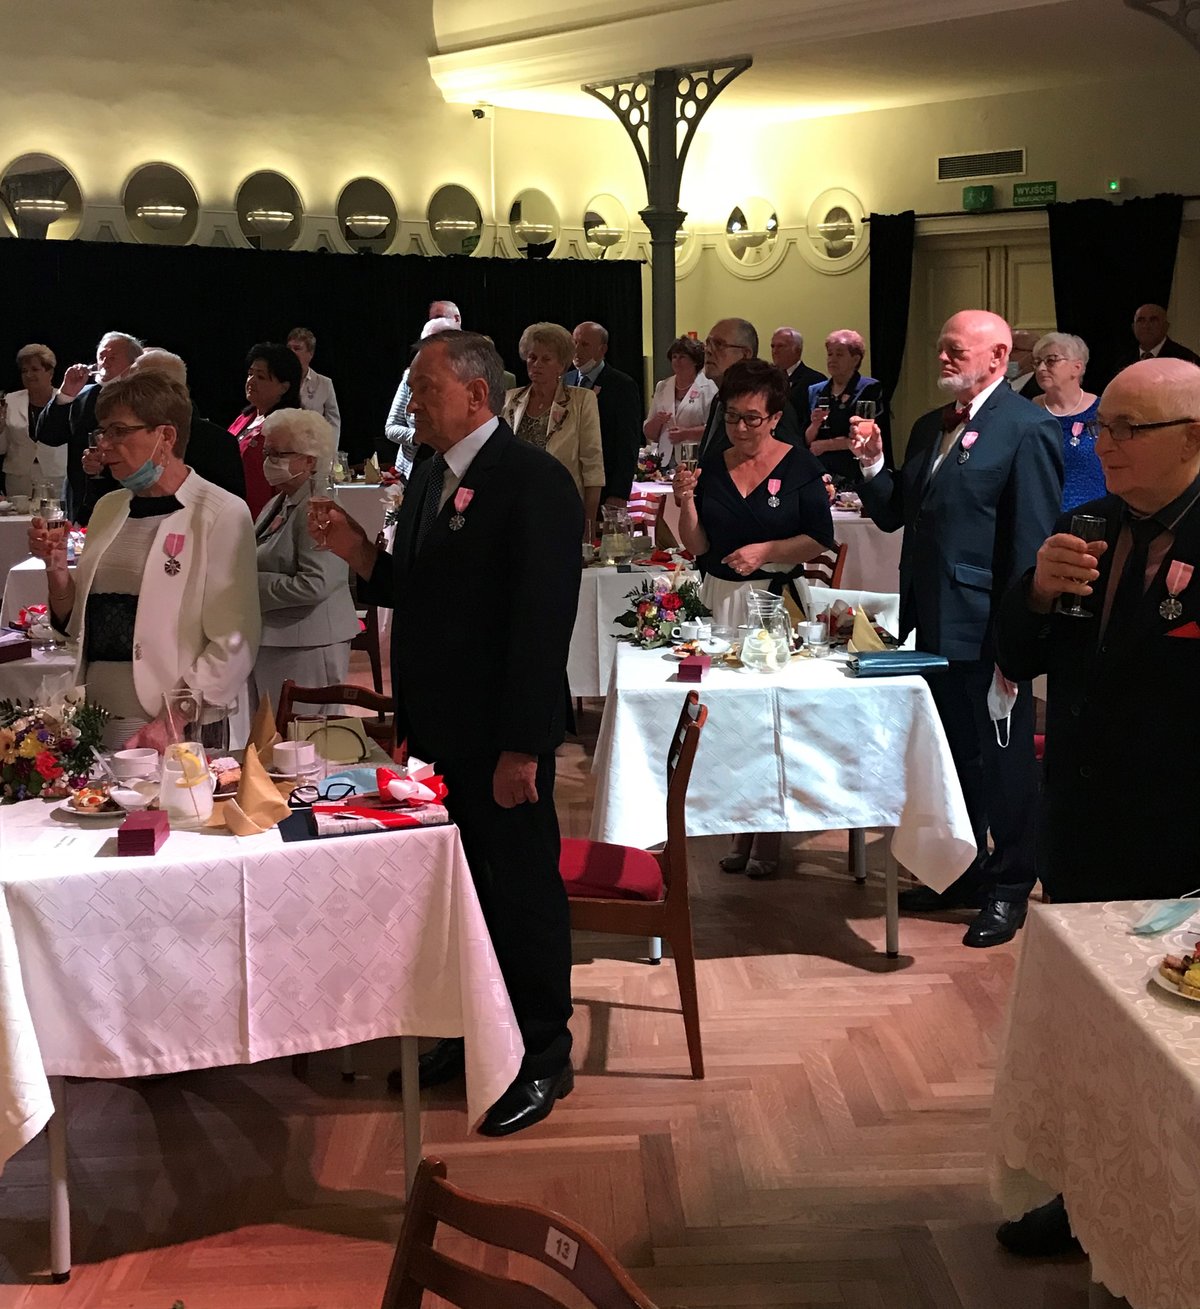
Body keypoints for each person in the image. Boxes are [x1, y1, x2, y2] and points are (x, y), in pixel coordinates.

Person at [311, 329, 581, 1138]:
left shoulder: (534, 481)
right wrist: (357, 550)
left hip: (501, 737)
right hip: (438, 729)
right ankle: (475, 1031)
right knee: (465, 891)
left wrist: (523, 747)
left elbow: (541, 626)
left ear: (476, 393)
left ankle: (542, 1054)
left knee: (521, 891)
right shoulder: (430, 475)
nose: (414, 403)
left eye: (425, 389)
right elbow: (419, 588)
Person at [992, 357, 1200, 1260]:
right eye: (1101, 425)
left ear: (1193, 437)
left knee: (1169, 1044)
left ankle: (1172, 1218)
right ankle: (1084, 1197)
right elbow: (1017, 654)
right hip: (1079, 825)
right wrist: (1036, 592)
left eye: (1126, 428)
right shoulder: (1087, 524)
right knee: (1087, 1026)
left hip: (1178, 838)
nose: (1100, 443)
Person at [850, 310, 1063, 948]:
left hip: (991, 627)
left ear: (998, 357)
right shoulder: (928, 425)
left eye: (955, 350)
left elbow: (1029, 546)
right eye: (940, 347)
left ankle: (1011, 886)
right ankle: (967, 872)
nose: (942, 358)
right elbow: (897, 514)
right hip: (933, 625)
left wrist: (1016, 644)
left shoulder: (1026, 428)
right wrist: (872, 465)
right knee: (955, 758)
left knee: (1004, 761)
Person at [28, 372, 259, 752]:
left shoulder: (220, 513)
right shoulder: (109, 507)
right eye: (102, 431)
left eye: (119, 431)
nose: (104, 444)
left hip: (176, 727)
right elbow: (79, 624)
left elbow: (234, 640)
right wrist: (56, 570)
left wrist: (172, 721)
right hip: (98, 718)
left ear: (165, 436)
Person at [674, 358, 835, 878]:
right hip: (722, 600)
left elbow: (820, 539)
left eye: (751, 418)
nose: (740, 428)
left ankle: (770, 832)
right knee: (730, 724)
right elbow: (699, 546)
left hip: (775, 603)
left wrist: (767, 550)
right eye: (731, 417)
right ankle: (741, 824)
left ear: (775, 418)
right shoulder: (713, 464)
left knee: (771, 719)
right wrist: (686, 504)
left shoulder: (799, 466)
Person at [252, 408, 358, 707]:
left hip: (309, 643)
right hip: (279, 640)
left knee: (306, 730)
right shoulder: (281, 501)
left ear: (310, 460)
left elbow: (315, 583)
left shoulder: (320, 506)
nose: (269, 462)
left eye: (279, 454)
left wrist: (249, 585)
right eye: (267, 453)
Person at [80, 349, 247, 510]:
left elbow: (228, 508)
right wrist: (98, 472)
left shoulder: (218, 443)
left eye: (138, 386)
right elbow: (103, 503)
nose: (127, 392)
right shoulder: (118, 436)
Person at [503, 322, 603, 530]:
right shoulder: (510, 399)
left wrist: (589, 524)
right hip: (514, 510)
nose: (536, 364)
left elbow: (593, 466)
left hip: (561, 509)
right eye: (532, 357)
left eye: (546, 359)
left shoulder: (582, 400)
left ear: (561, 365)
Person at [36, 330, 143, 523]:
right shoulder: (83, 394)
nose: (105, 362)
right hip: (80, 501)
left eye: (112, 357)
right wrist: (66, 393)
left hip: (126, 498)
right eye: (101, 356)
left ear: (133, 363)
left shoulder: (142, 398)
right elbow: (48, 436)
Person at [697, 317, 805, 461]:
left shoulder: (768, 403)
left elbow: (792, 458)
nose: (708, 350)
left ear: (745, 354)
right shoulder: (719, 399)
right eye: (708, 344)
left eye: (719, 344)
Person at [566, 321, 642, 505]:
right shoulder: (565, 381)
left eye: (585, 344)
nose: (577, 350)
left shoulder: (622, 385)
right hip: (569, 485)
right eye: (574, 343)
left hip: (605, 484)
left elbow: (627, 443)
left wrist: (619, 493)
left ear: (602, 349)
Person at [228, 342, 303, 520]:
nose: (251, 381)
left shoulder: (287, 426)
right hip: (231, 507)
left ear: (284, 387)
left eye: (261, 377)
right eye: (250, 374)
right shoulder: (245, 417)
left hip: (261, 515)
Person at [1030, 332, 1104, 510]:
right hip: (1041, 513)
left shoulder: (1102, 411)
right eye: (1037, 362)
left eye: (1051, 360)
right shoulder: (1029, 412)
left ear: (1077, 367)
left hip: (1092, 513)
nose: (1041, 368)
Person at [803, 330, 883, 485]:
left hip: (852, 470)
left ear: (855, 359)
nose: (832, 359)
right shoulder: (815, 390)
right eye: (830, 354)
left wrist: (827, 445)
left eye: (839, 354)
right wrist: (815, 424)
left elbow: (866, 436)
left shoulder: (869, 388)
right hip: (819, 471)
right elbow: (807, 440)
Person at [385, 315, 458, 481]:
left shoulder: (463, 382)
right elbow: (391, 427)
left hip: (452, 468)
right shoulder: (409, 378)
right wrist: (418, 435)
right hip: (412, 471)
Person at [642, 336, 716, 472]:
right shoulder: (662, 386)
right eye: (674, 357)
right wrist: (658, 420)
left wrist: (686, 433)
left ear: (695, 361)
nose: (676, 361)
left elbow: (713, 429)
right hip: (664, 461)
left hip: (695, 460)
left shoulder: (709, 388)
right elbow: (649, 432)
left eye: (682, 357)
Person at [0, 344, 63, 499]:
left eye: (35, 369)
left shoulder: (65, 400)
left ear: (50, 372)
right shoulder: (10, 400)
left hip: (56, 476)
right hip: (19, 478)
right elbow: (2, 448)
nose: (28, 375)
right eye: (24, 371)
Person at [287, 327, 342, 442]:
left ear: (310, 353)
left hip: (314, 447)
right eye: (289, 348)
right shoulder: (278, 381)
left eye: (297, 348)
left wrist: (330, 449)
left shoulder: (324, 384)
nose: (291, 353)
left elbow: (333, 422)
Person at [770, 326, 825, 429]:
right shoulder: (767, 379)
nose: (775, 351)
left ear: (797, 350)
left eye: (780, 346)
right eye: (773, 346)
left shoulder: (814, 381)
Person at [1126, 302, 1199, 366]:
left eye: (1153, 320)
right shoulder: (1124, 360)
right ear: (1133, 327)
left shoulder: (1186, 360)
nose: (1146, 326)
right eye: (1141, 320)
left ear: (1166, 326)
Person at [1007, 328, 1042, 400]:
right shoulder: (999, 383)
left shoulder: (1041, 389)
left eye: (1014, 348)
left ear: (1033, 354)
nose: (1007, 355)